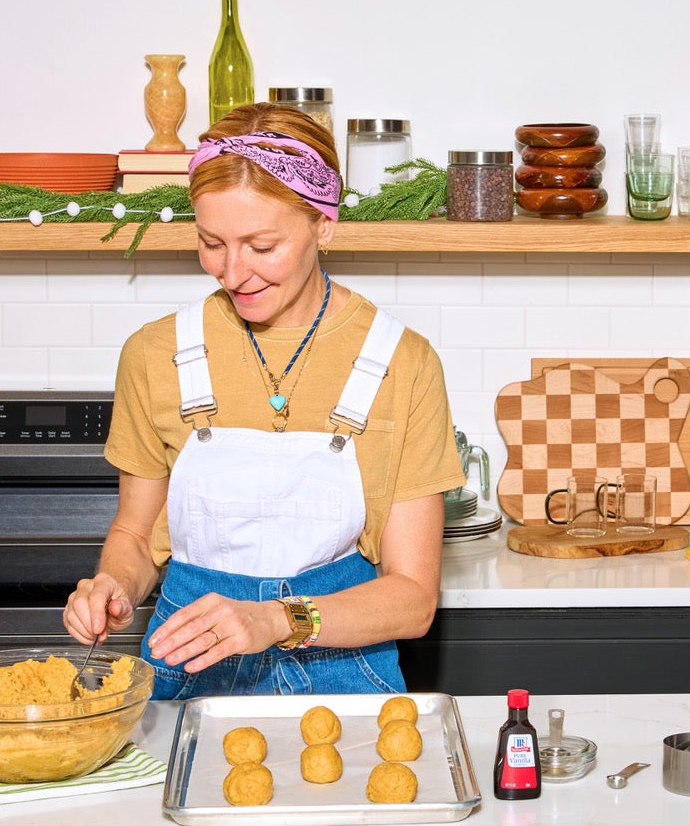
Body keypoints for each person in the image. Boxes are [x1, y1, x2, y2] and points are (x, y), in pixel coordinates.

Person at [62, 102, 465, 698]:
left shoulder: (402, 363)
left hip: (342, 673)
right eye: (211, 243)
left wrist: (275, 621)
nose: (232, 272)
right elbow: (137, 534)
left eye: (261, 245)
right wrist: (113, 586)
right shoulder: (155, 354)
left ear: (323, 225)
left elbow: (412, 599)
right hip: (188, 665)